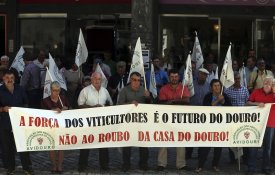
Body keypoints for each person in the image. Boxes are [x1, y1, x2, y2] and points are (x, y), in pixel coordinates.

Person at [157, 69, 192, 171]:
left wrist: (173, 101)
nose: (174, 79)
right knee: (163, 139)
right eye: (172, 77)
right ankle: (161, 163)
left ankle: (181, 164)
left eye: (176, 76)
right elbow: (162, 103)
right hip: (166, 119)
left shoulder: (183, 88)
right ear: (169, 77)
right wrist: (177, 102)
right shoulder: (164, 89)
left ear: (178, 77)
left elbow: (187, 100)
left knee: (180, 140)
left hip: (180, 119)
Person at [77, 72, 113, 172]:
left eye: (99, 79)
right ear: (92, 79)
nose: (97, 81)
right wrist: (93, 108)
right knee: (86, 144)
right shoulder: (85, 91)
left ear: (101, 80)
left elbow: (110, 103)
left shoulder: (105, 91)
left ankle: (104, 165)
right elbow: (80, 105)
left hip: (102, 123)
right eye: (95, 79)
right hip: (88, 123)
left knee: (103, 145)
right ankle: (82, 165)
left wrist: (106, 107)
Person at [0, 70, 33, 175]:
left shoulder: (20, 89)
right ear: (3, 79)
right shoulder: (0, 90)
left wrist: (22, 111)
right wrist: (2, 109)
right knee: (8, 146)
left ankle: (27, 167)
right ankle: (11, 167)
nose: (9, 80)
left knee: (22, 145)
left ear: (14, 78)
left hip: (20, 122)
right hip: (5, 122)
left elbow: (26, 103)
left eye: (11, 78)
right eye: (7, 78)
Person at [117, 71, 151, 171]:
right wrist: (129, 103)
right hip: (128, 122)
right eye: (134, 80)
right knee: (127, 144)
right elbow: (119, 105)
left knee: (144, 144)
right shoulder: (124, 90)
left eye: (138, 80)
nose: (137, 82)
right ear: (130, 80)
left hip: (142, 122)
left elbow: (150, 105)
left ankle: (143, 164)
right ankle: (126, 164)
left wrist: (148, 97)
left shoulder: (143, 90)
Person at [196, 79, 231, 173]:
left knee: (218, 148)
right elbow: (206, 109)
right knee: (205, 147)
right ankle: (200, 165)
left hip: (220, 126)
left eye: (218, 85)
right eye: (215, 86)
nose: (217, 87)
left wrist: (222, 101)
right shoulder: (208, 96)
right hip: (209, 126)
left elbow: (230, 109)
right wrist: (217, 101)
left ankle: (215, 165)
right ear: (211, 88)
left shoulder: (225, 96)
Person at [246, 76, 275, 175]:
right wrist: (257, 104)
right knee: (253, 145)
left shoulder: (274, 93)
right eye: (265, 82)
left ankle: (266, 167)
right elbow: (248, 102)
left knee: (268, 147)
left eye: (269, 82)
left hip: (270, 124)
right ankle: (251, 168)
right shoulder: (256, 91)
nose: (267, 84)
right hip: (256, 123)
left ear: (272, 84)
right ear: (263, 83)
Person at [41, 81, 70, 174]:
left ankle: (60, 165)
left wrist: (66, 109)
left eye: (58, 90)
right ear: (50, 90)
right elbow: (41, 114)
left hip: (62, 126)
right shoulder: (45, 100)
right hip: (50, 127)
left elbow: (71, 109)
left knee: (61, 147)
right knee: (52, 147)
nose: (56, 92)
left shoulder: (63, 98)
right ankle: (54, 165)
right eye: (54, 90)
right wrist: (52, 110)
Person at [224, 71, 249, 164]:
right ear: (233, 80)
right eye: (236, 79)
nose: (237, 80)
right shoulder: (227, 90)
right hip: (232, 119)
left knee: (245, 138)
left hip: (243, 118)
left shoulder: (245, 89)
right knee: (232, 139)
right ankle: (233, 159)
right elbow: (225, 104)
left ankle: (245, 158)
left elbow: (248, 102)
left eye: (239, 78)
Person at [187, 68, 210, 159]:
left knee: (202, 135)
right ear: (198, 74)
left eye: (204, 75)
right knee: (190, 134)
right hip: (192, 113)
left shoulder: (209, 86)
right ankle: (188, 153)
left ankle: (201, 154)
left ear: (206, 76)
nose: (202, 76)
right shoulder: (191, 84)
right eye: (201, 74)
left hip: (204, 115)